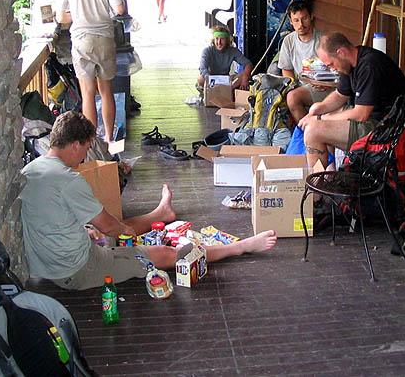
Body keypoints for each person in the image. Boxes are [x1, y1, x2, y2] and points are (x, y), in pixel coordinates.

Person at [20, 111, 278, 291]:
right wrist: (123, 231)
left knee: (107, 224)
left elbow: (63, 217)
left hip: (47, 265)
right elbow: (110, 227)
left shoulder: (32, 169)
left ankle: (161, 213)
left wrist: (99, 230)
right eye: (87, 148)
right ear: (74, 144)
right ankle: (242, 246)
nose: (86, 156)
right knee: (166, 254)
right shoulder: (68, 179)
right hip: (77, 270)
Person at [298, 32, 405, 168]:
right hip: (372, 120)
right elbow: (340, 95)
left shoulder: (369, 66)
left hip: (383, 128)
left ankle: (317, 183)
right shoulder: (349, 64)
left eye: (331, 64)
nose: (331, 68)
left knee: (313, 132)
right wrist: (319, 108)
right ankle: (332, 175)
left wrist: (322, 119)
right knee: (321, 118)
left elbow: (361, 114)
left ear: (341, 52)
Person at [54, 0, 125, 143]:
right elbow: (119, 9)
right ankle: (110, 139)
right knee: (106, 91)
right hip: (104, 38)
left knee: (87, 94)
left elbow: (61, 17)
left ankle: (91, 143)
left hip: (81, 39)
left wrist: (78, 14)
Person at [277, 1, 327, 122]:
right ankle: (308, 130)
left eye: (304, 18)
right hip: (300, 85)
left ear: (311, 17)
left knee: (293, 98)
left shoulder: (323, 40)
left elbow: (334, 70)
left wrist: (323, 81)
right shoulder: (288, 41)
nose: (301, 24)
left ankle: (308, 131)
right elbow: (287, 69)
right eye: (296, 20)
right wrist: (293, 86)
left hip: (322, 87)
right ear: (291, 21)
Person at [197, 26, 253, 90]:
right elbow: (203, 68)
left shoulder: (233, 51)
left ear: (227, 40)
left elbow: (248, 64)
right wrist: (210, 80)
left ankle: (226, 90)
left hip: (226, 79)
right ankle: (223, 90)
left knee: (244, 76)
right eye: (217, 39)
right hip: (211, 79)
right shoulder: (207, 51)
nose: (219, 42)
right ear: (213, 40)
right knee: (200, 79)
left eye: (222, 39)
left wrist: (245, 77)